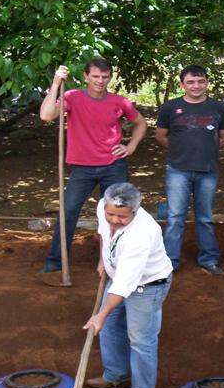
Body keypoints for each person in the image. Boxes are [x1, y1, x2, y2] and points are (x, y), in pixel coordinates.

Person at [38, 57, 147, 274]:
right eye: (95, 76)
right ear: (86, 76)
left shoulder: (119, 101)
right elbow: (46, 115)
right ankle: (56, 261)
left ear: (110, 77)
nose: (100, 81)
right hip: (82, 168)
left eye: (105, 77)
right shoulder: (72, 97)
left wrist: (131, 146)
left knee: (118, 213)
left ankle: (114, 261)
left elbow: (140, 123)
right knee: (67, 212)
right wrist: (56, 84)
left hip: (113, 165)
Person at [83, 182, 173, 388]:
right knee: (110, 327)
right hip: (119, 275)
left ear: (135, 211)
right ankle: (116, 374)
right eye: (110, 214)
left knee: (140, 340)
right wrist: (103, 260)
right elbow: (104, 234)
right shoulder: (102, 207)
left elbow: (125, 283)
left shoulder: (142, 234)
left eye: (122, 217)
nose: (114, 220)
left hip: (148, 285)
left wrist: (101, 314)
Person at [155, 65, 224, 275]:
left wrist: (205, 150)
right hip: (178, 170)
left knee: (205, 217)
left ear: (207, 82)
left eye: (200, 81)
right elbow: (161, 135)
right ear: (182, 85)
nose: (195, 86)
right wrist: (181, 149)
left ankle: (208, 260)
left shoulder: (218, 107)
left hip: (208, 170)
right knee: (175, 217)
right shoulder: (171, 107)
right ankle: (169, 262)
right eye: (190, 82)